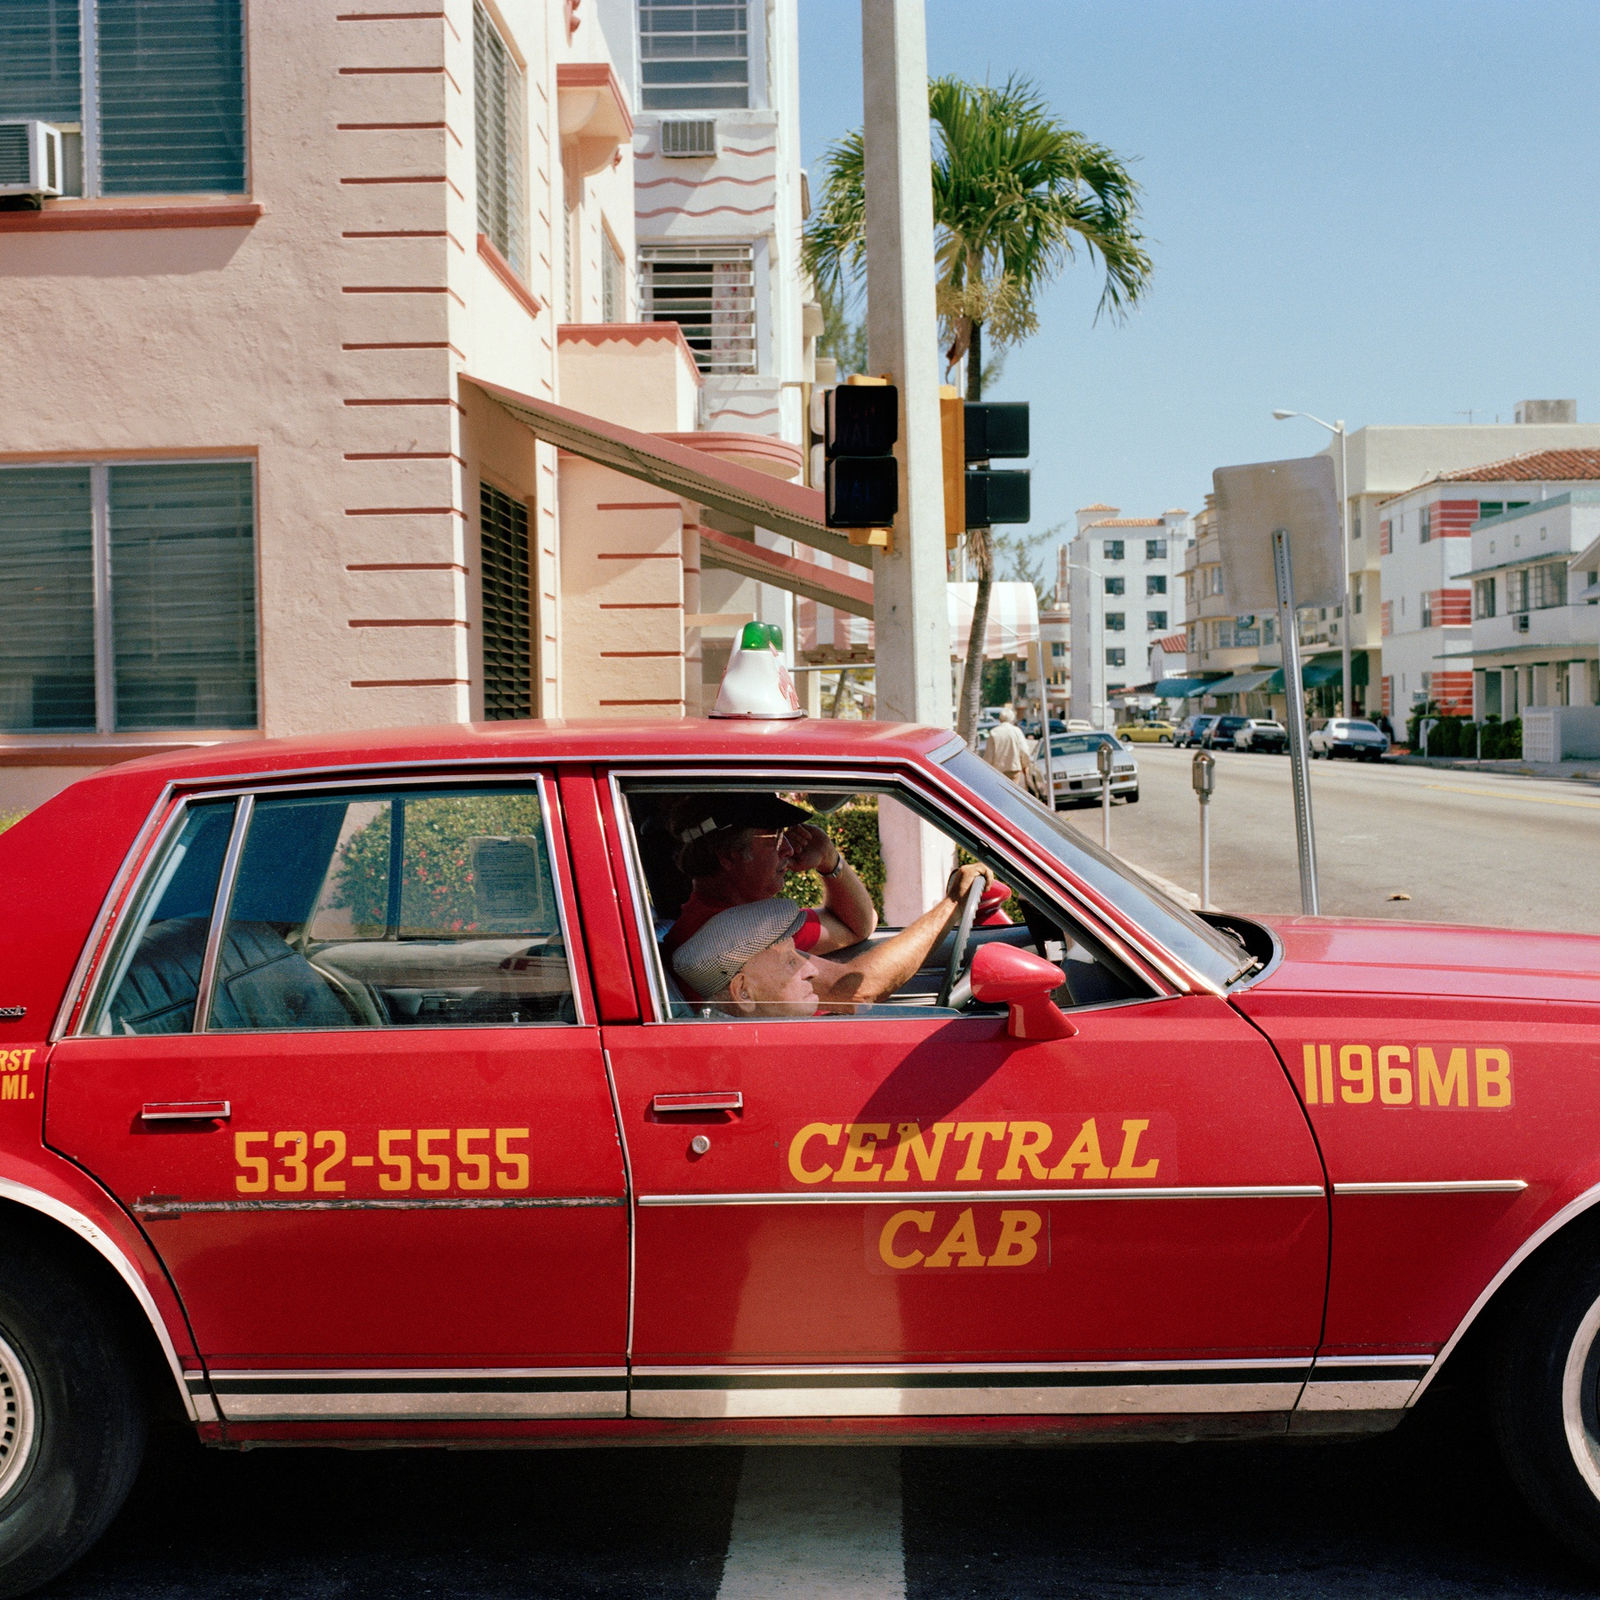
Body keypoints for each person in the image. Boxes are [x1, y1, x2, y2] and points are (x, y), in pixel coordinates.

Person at [672, 862, 995, 1018]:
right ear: (743, 991)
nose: (812, 970)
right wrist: (952, 904)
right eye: (790, 962)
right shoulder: (732, 933)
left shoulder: (752, 925)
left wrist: (831, 861)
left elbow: (857, 926)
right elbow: (855, 989)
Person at [664, 793, 877, 960]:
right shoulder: (750, 934)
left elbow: (857, 924)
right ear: (729, 853)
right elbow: (858, 927)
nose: (789, 849)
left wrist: (828, 858)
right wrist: (829, 859)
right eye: (775, 836)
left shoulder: (715, 920)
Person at [981, 704, 1032, 787]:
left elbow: (989, 756)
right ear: (1012, 719)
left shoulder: (994, 733)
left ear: (1000, 719)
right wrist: (1025, 765)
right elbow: (1024, 750)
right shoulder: (1017, 731)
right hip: (1014, 769)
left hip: (998, 771)